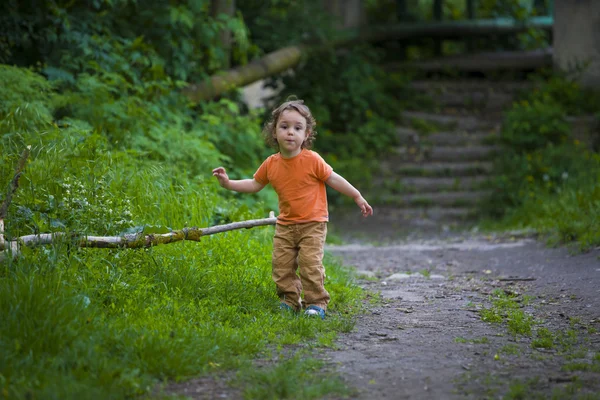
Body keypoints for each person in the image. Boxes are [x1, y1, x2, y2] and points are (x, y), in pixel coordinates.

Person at [212, 98, 373, 319]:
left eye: (297, 128)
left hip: (313, 224)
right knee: (281, 265)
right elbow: (255, 184)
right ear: (274, 132)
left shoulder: (312, 160)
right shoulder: (271, 164)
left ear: (306, 135)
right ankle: (289, 301)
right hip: (286, 224)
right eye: (284, 127)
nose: (290, 132)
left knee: (310, 265)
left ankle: (316, 303)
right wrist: (228, 183)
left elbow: (333, 179)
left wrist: (357, 195)